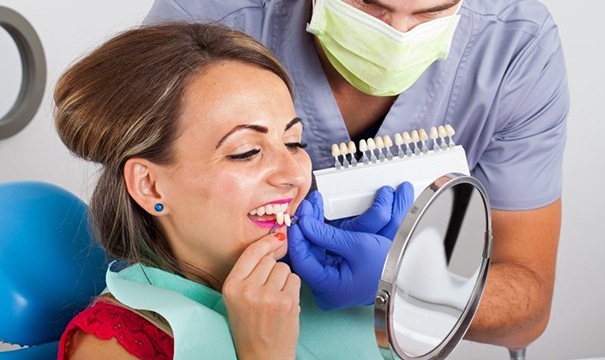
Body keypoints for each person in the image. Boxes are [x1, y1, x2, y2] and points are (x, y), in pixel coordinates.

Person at [145, 0, 570, 351]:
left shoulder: (514, 44)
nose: (399, 35)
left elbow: (528, 306)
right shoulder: (202, 21)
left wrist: (405, 285)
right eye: (370, 4)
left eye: (430, 13)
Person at [54, 22, 398, 359]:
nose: (294, 175)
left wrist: (402, 299)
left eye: (294, 142)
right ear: (150, 186)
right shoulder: (111, 347)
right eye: (246, 151)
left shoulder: (319, 284)